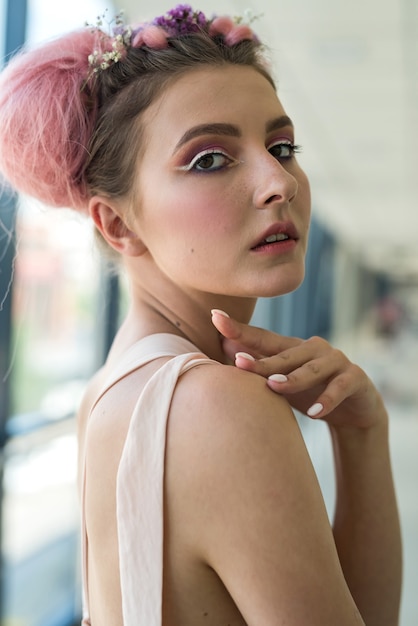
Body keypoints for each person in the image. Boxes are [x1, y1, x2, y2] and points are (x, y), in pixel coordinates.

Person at [0, 5, 402, 625]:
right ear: (117, 224)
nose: (280, 182)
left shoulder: (108, 392)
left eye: (282, 146)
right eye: (209, 159)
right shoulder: (218, 406)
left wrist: (362, 432)